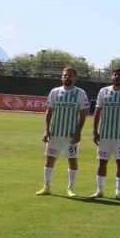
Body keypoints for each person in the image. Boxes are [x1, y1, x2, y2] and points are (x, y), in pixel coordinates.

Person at [39, 66, 89, 197]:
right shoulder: (55, 92)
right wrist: (46, 130)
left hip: (71, 135)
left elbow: (83, 114)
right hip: (55, 133)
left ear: (75, 78)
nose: (67, 77)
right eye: (65, 75)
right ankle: (47, 187)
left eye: (70, 75)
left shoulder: (80, 93)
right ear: (62, 77)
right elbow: (49, 111)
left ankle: (71, 188)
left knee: (72, 160)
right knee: (50, 159)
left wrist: (78, 132)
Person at [91, 68, 120, 199]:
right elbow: (97, 112)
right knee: (102, 162)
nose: (117, 77)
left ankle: (118, 192)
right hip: (105, 135)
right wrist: (95, 131)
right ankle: (100, 191)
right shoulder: (103, 91)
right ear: (112, 76)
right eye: (115, 74)